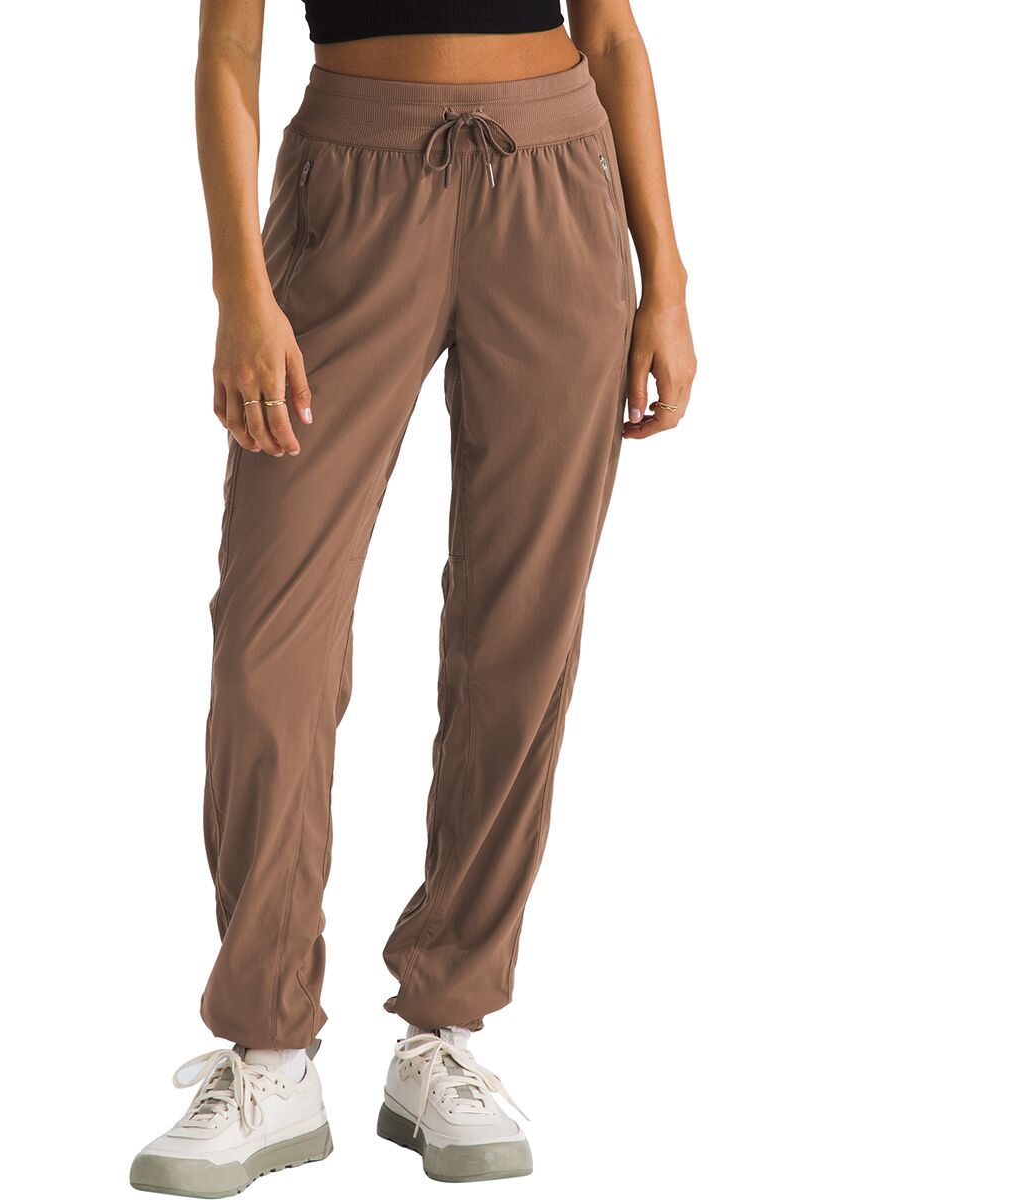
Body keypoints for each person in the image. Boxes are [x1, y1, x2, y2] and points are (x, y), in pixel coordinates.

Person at [131, 0, 696, 1192]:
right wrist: (239, 287)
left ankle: (444, 1027)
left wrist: (669, 280)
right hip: (350, 183)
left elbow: (610, 34)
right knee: (269, 640)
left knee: (524, 628)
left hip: (554, 177)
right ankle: (270, 1047)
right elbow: (230, 46)